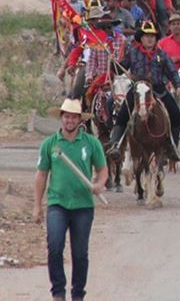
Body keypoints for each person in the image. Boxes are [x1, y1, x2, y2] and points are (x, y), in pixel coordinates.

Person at [35, 98, 108, 301]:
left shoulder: (91, 143)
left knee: (79, 253)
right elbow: (41, 175)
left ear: (79, 120)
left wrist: (99, 184)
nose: (70, 120)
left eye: (74, 117)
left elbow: (103, 170)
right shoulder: (50, 144)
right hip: (57, 204)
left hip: (83, 206)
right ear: (61, 118)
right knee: (55, 246)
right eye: (66, 116)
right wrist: (37, 206)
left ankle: (78, 294)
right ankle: (58, 292)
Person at [107, 21, 180, 163]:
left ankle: (171, 147)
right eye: (147, 36)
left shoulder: (162, 55)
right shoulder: (133, 53)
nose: (150, 39)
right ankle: (115, 144)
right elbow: (119, 68)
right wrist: (113, 62)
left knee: (175, 112)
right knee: (123, 113)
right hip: (137, 89)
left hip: (158, 90)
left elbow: (172, 71)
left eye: (152, 36)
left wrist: (178, 86)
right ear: (141, 38)